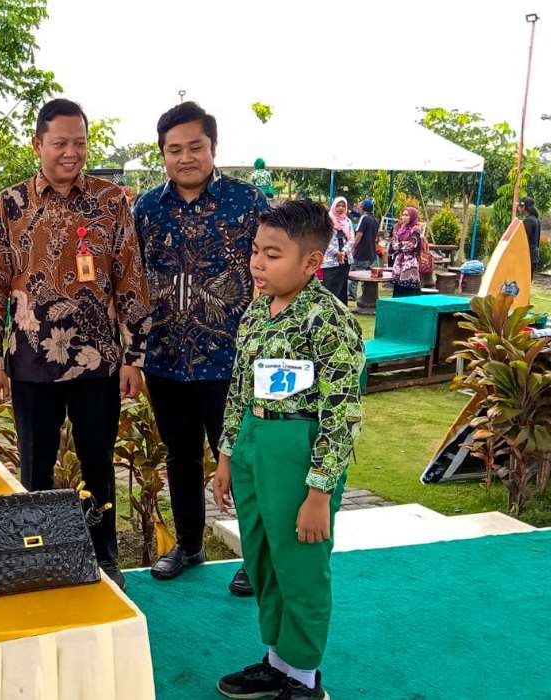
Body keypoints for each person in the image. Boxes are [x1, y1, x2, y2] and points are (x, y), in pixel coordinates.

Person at [0, 98, 151, 589]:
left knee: (99, 464)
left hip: (99, 363)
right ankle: (38, 557)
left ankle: (103, 557)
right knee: (36, 466)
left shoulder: (112, 201)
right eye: (60, 143)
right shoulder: (9, 205)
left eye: (79, 143)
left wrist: (133, 357)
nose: (71, 153)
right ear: (38, 145)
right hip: (32, 362)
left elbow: (130, 280)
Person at [212, 200, 364, 700]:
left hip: (299, 450)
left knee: (300, 566)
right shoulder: (257, 309)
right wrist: (227, 456)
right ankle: (279, 661)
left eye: (272, 254)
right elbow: (239, 387)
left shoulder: (328, 320)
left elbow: (341, 412)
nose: (257, 263)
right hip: (256, 442)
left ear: (311, 263)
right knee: (263, 559)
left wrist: (319, 493)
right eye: (255, 251)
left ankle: (304, 679)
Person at [133, 101, 267, 591]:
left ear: (214, 147)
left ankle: (256, 556)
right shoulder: (146, 208)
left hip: (231, 359)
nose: (185, 157)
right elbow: (133, 281)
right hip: (166, 359)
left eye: (195, 147)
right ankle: (189, 545)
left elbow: (273, 268)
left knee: (241, 457)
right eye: (174, 149)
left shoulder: (248, 202)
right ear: (163, 153)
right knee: (180, 457)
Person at [321, 197, 352, 302]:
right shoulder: (327, 221)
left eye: (343, 206)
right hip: (330, 261)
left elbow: (351, 239)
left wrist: (343, 252)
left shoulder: (347, 221)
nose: (341, 208)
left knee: (342, 288)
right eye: (338, 205)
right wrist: (336, 253)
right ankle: (327, 312)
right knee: (329, 289)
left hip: (345, 259)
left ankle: (341, 313)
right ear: (334, 206)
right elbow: (324, 239)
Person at [348, 198, 378, 301]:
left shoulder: (364, 218)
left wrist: (353, 247)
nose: (358, 209)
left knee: (354, 273)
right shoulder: (375, 219)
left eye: (360, 206)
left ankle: (352, 294)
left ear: (363, 208)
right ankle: (366, 295)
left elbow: (359, 234)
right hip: (371, 253)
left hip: (362, 252)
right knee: (367, 276)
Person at [391, 206, 423, 297]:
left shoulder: (416, 229)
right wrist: (402, 244)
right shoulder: (400, 229)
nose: (403, 217)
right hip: (399, 263)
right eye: (403, 215)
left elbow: (411, 246)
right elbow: (394, 245)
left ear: (412, 217)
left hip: (410, 264)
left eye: (407, 215)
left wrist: (401, 245)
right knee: (398, 288)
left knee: (409, 289)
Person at [519, 196, 540, 277]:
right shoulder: (536, 219)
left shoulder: (528, 221)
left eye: (519, 206)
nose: (518, 208)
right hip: (534, 256)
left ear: (524, 207)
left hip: (528, 257)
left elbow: (523, 240)